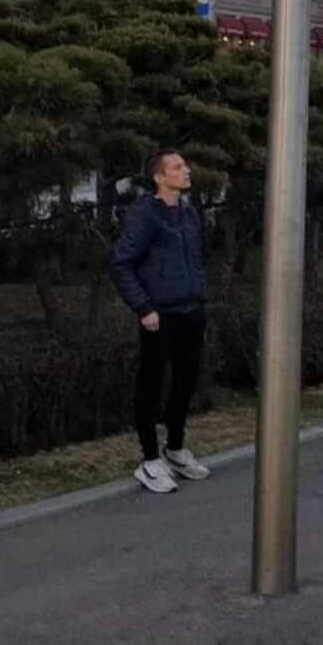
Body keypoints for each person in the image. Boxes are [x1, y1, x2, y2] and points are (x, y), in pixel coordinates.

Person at [109, 150, 211, 493]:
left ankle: (176, 449)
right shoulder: (145, 214)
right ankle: (150, 460)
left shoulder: (188, 211)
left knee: (186, 382)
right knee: (151, 385)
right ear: (159, 176)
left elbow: (197, 256)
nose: (186, 171)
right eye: (178, 167)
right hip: (158, 316)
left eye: (185, 165)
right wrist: (143, 308)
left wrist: (199, 293)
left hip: (191, 310)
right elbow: (121, 263)